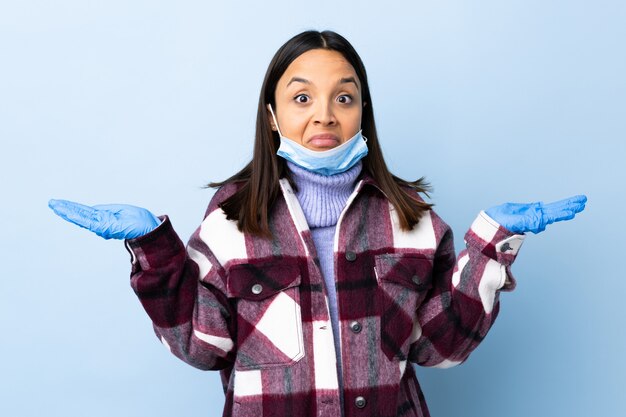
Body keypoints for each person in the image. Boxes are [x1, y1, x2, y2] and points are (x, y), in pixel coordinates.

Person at [49, 30, 586, 417]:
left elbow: (439, 349)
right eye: (302, 97)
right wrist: (155, 249)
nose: (324, 114)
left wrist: (489, 247)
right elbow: (201, 347)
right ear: (272, 115)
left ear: (362, 112)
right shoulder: (231, 222)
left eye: (344, 97)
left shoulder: (414, 222)